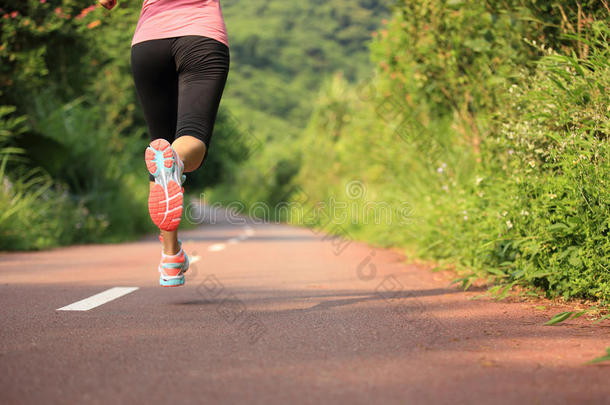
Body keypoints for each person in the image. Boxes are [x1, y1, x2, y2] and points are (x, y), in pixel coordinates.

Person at [99, 0, 230, 287]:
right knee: (191, 136)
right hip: (201, 36)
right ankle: (176, 162)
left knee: (160, 143)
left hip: (149, 43)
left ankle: (171, 256)